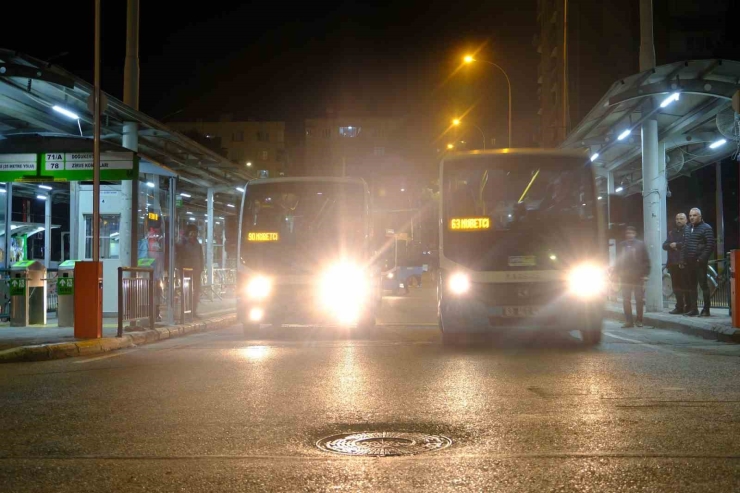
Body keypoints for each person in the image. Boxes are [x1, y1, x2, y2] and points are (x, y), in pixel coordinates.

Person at [680, 208, 715, 317]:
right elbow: (684, 244)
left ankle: (706, 310)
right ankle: (693, 309)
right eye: (690, 215)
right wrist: (682, 259)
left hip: (699, 262)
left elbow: (710, 246)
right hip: (688, 262)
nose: (691, 217)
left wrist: (701, 259)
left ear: (700, 216)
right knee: (691, 286)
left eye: (694, 215)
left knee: (703, 285)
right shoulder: (687, 228)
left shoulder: (706, 228)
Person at [615, 226, 650, 328]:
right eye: (628, 233)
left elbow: (646, 260)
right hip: (625, 277)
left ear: (635, 234)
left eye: (631, 233)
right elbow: (618, 260)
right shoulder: (622, 245)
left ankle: (639, 320)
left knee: (639, 299)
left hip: (638, 276)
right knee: (626, 299)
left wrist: (645, 274)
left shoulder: (640, 245)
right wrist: (616, 273)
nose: (629, 235)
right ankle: (629, 321)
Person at [662, 213, 687, 314]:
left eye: (681, 219)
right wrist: (671, 245)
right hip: (673, 263)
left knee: (685, 286)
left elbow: (688, 244)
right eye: (677, 219)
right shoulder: (672, 232)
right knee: (676, 287)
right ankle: (679, 307)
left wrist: (677, 244)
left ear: (686, 220)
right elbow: (664, 245)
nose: (679, 220)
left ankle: (687, 307)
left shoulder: (688, 231)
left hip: (684, 263)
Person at [179, 224, 204, 317]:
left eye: (195, 232)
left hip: (197, 271)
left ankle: (193, 311)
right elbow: (179, 257)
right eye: (192, 232)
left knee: (196, 291)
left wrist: (201, 268)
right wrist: (180, 267)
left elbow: (201, 257)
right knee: (186, 291)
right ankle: (185, 311)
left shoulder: (198, 244)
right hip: (186, 271)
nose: (194, 234)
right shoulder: (183, 243)